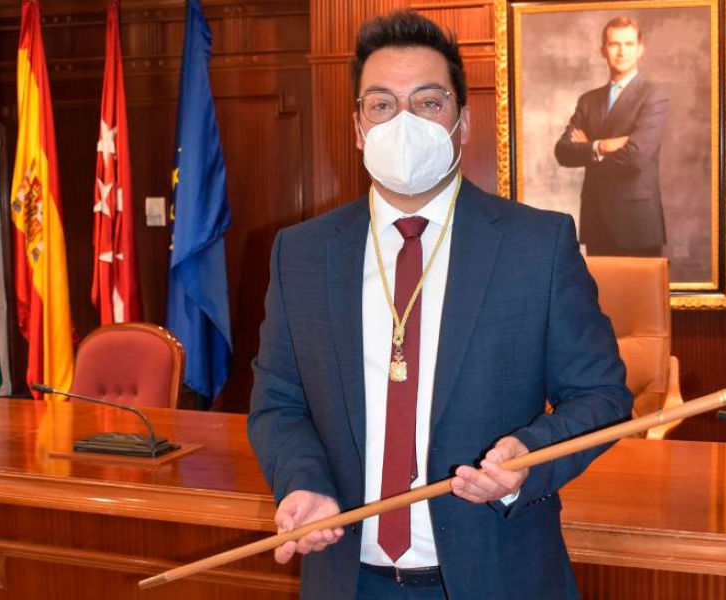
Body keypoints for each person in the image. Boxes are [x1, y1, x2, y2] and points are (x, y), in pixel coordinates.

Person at [249, 10, 632, 600]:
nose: (403, 122)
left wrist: (530, 456)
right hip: (348, 578)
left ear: (462, 122)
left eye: (428, 103)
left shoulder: (537, 246)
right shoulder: (301, 254)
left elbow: (602, 398)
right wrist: (303, 482)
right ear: (358, 127)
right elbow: (279, 403)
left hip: (499, 575)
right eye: (382, 105)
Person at [554, 16, 670, 257]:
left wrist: (588, 149)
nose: (621, 51)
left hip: (638, 224)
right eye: (614, 44)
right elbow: (563, 152)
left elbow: (636, 157)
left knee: (641, 284)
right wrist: (603, 146)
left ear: (640, 49)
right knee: (599, 284)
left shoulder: (654, 96)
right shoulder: (588, 100)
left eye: (628, 44)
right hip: (597, 219)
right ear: (603, 50)